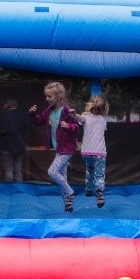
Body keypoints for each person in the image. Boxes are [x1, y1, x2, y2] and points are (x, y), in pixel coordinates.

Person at [29, 82, 80, 212]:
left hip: (67, 148)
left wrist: (68, 126)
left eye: (49, 96)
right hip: (58, 148)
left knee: (52, 172)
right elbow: (39, 121)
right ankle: (68, 205)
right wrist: (32, 115)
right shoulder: (49, 111)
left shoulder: (67, 111)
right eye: (46, 96)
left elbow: (76, 128)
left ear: (58, 96)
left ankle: (70, 192)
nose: (47, 99)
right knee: (62, 176)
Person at [70, 95, 109, 208]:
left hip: (86, 152)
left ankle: (88, 189)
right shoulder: (103, 121)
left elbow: (80, 119)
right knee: (99, 173)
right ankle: (99, 192)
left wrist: (74, 115)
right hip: (99, 152)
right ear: (104, 108)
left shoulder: (86, 117)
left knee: (89, 169)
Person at [0, 98, 31, 182]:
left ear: (7, 105)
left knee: (9, 171)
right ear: (16, 105)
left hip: (7, 147)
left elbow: (0, 130)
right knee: (18, 170)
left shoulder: (4, 115)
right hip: (20, 147)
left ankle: (9, 191)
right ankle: (19, 190)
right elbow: (27, 130)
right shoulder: (23, 116)